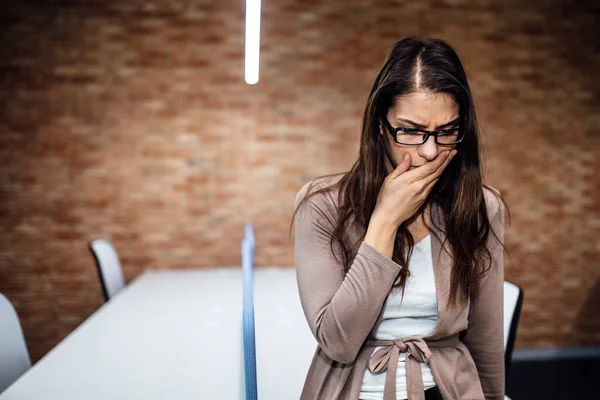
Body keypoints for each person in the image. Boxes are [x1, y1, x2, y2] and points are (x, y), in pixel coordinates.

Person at [292, 37, 509, 400]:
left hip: (448, 389)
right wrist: (385, 221)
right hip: (355, 390)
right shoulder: (323, 205)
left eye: (446, 132)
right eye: (410, 131)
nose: (429, 150)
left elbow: (486, 337)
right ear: (380, 124)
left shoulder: (481, 205)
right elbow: (338, 342)